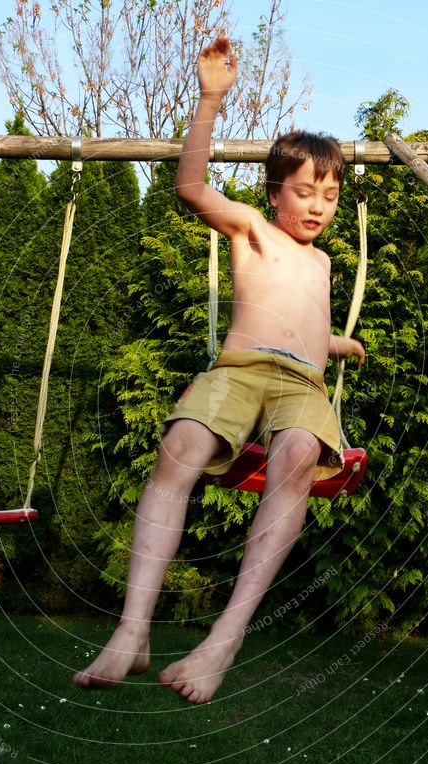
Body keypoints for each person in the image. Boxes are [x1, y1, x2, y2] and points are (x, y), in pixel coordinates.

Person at [73, 35, 365, 704]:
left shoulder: (321, 263)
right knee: (178, 446)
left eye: (329, 193)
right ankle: (132, 629)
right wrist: (210, 100)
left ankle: (224, 638)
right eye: (304, 191)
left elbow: (305, 329)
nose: (318, 205)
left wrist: (338, 346)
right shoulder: (250, 230)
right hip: (238, 366)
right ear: (273, 193)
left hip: (303, 382)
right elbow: (188, 185)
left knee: (294, 454)